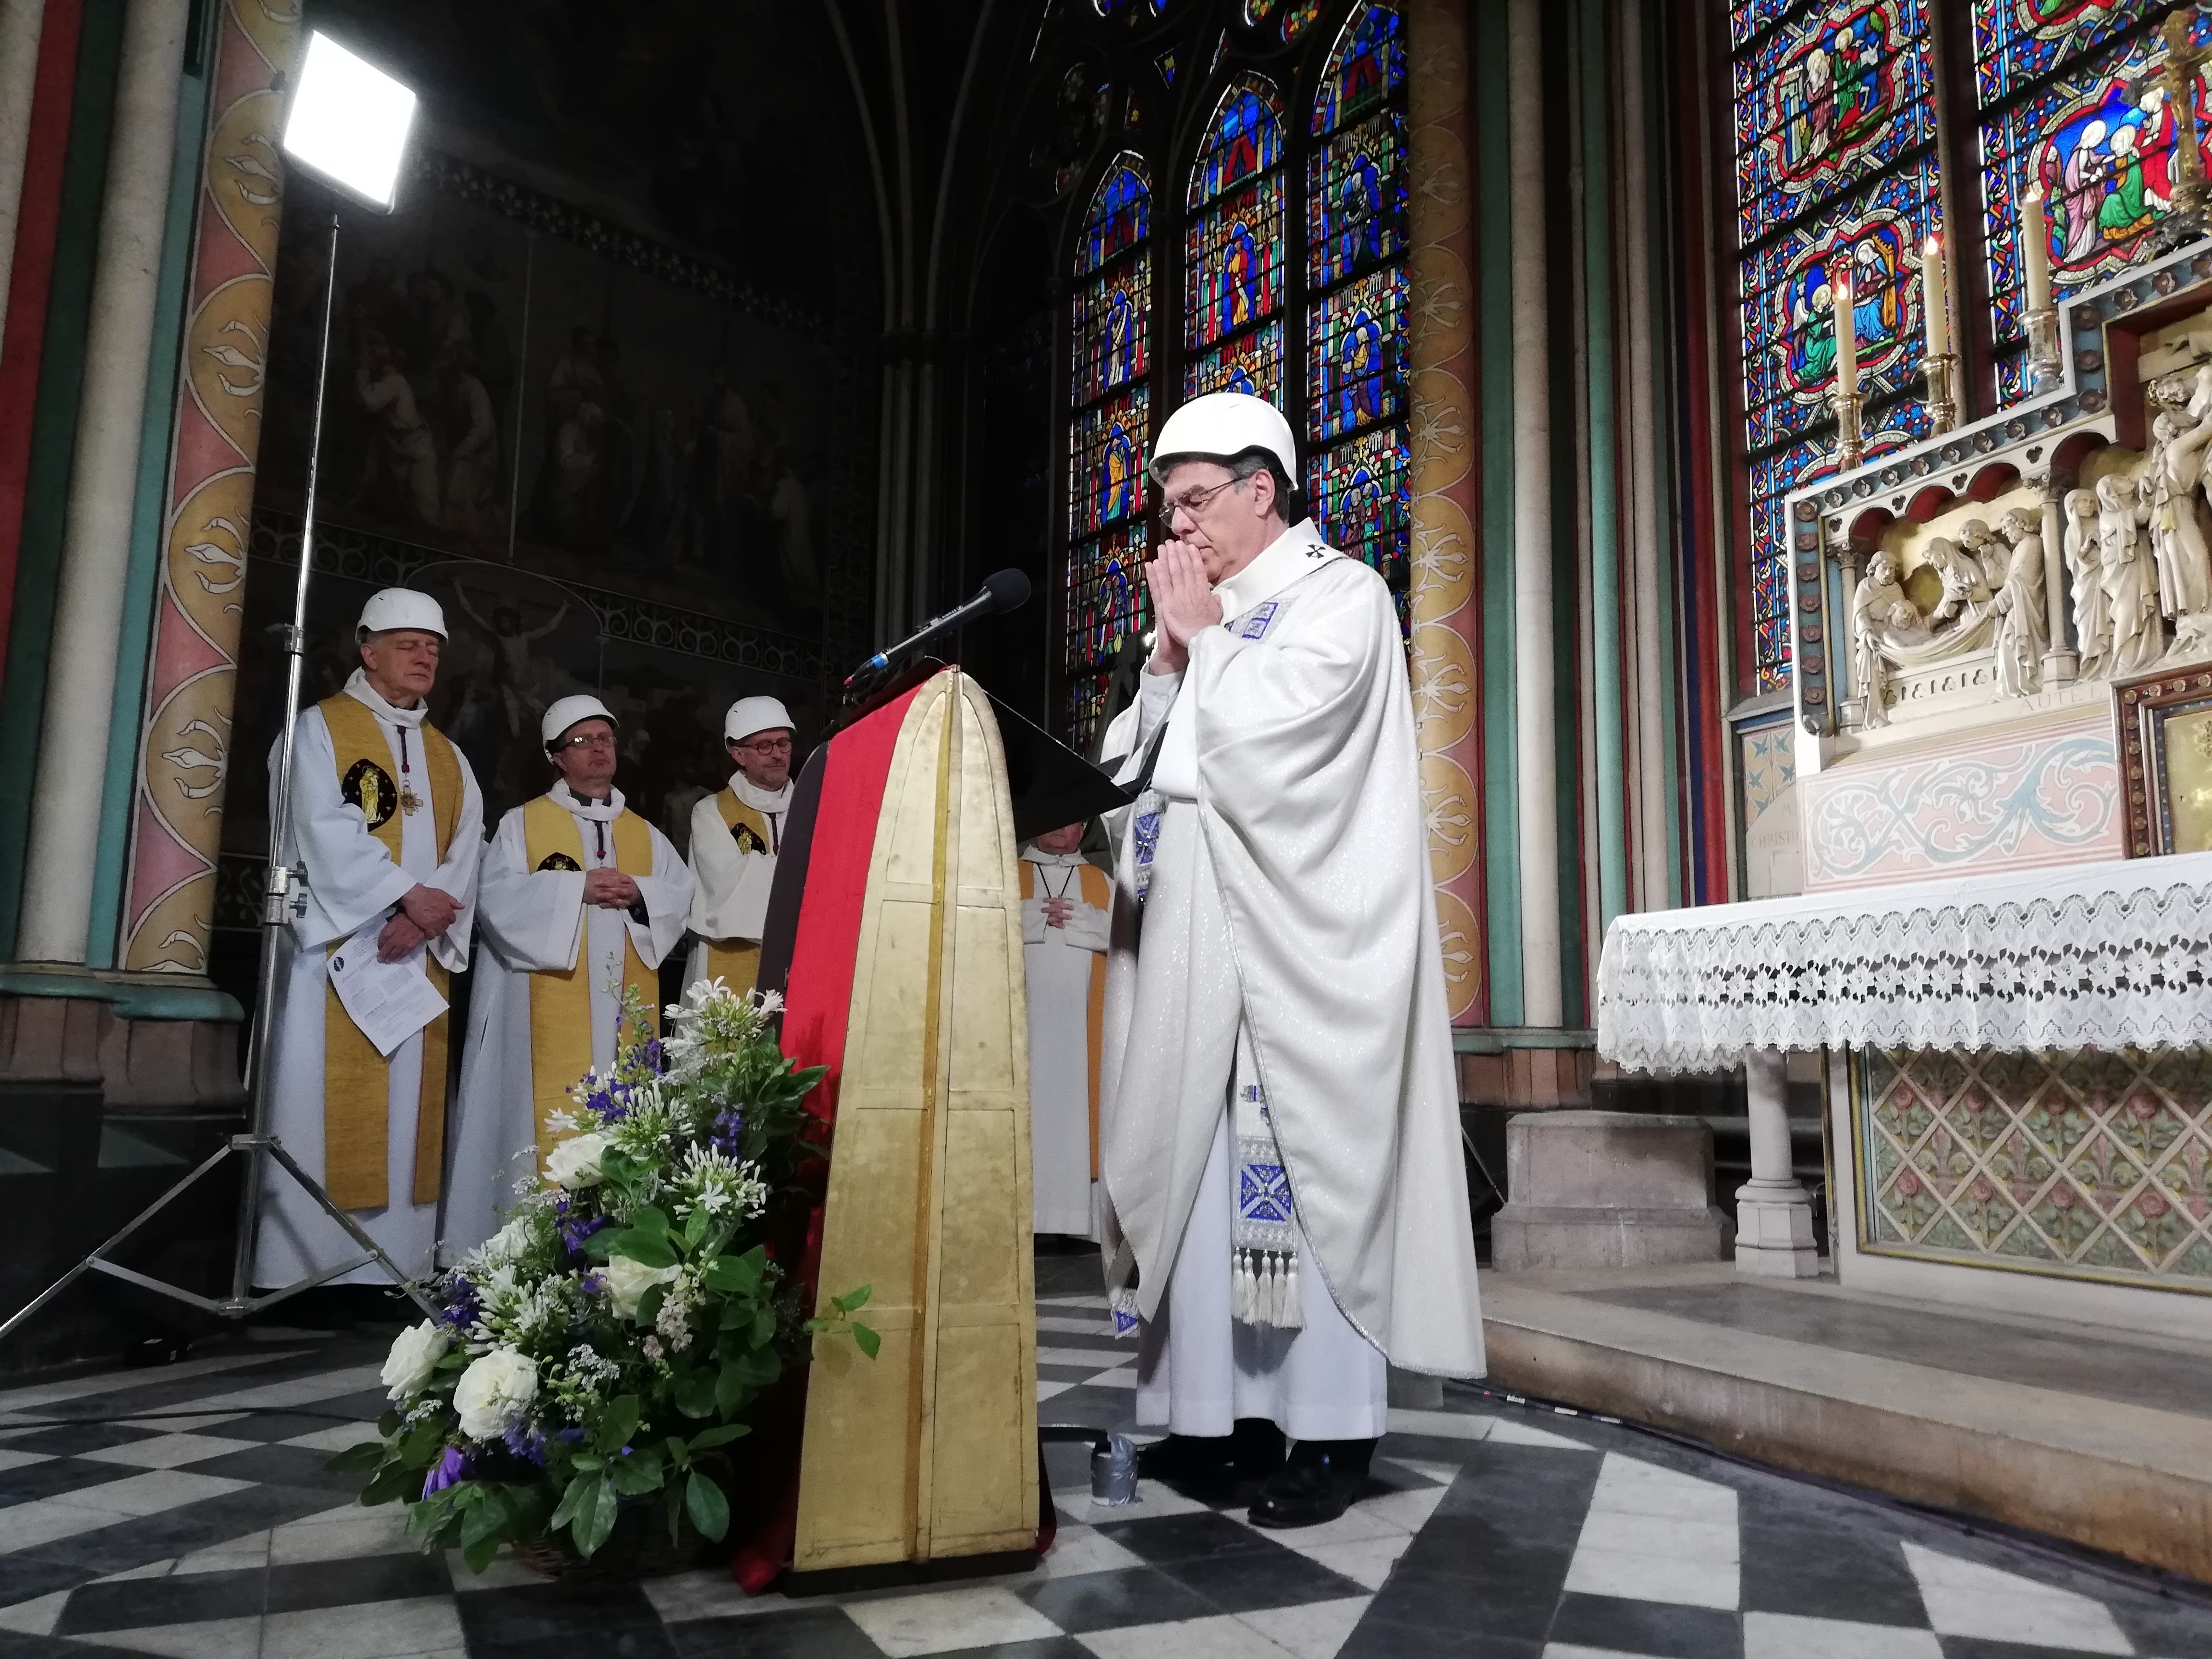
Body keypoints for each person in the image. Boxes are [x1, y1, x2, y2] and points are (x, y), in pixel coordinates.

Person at [1095, 390, 1483, 1529]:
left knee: (1301, 1180)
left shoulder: (1341, 598)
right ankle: (1214, 1426)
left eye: (1196, 504)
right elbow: (1136, 781)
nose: (1181, 533)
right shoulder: (1202, 622)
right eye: (1168, 513)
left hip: (1299, 968)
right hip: (1194, 964)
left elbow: (1284, 752)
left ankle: (1326, 1436)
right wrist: (1163, 668)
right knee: (1201, 1186)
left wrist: (1200, 644)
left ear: (1262, 489)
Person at [253, 588, 483, 1291]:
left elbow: (467, 847)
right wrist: (401, 895)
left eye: (433, 647)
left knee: (407, 1115)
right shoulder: (318, 731)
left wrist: (423, 916)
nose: (424, 657)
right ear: (368, 650)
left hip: (412, 958)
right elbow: (318, 827)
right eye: (409, 644)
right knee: (321, 1107)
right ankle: (308, 1269)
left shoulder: (450, 756)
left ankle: (393, 1268)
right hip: (340, 956)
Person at [445, 695, 693, 1255]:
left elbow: (680, 897)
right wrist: (575, 888)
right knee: (545, 1123)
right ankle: (531, 1247)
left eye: (605, 738)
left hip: (622, 1010)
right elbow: (496, 899)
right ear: (556, 757)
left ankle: (621, 1242)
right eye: (583, 741)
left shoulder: (646, 834)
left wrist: (641, 893)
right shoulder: (523, 824)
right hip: (544, 1014)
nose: (599, 749)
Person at [1021, 822, 1112, 1242]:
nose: (1060, 827)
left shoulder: (1103, 883)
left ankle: (1081, 1224)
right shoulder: (1004, 873)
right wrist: (1027, 918)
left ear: (1085, 829)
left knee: (1080, 1104)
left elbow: (1139, 935)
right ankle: (1022, 1218)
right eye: (1054, 816)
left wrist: (1090, 923)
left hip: (1083, 1034)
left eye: (1074, 819)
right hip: (1024, 1033)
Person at [685, 697, 795, 997]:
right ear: (738, 754)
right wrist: (800, 875)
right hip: (729, 957)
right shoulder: (711, 812)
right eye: (764, 746)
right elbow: (726, 885)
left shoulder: (814, 807)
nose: (777, 754)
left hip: (801, 959)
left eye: (783, 743)